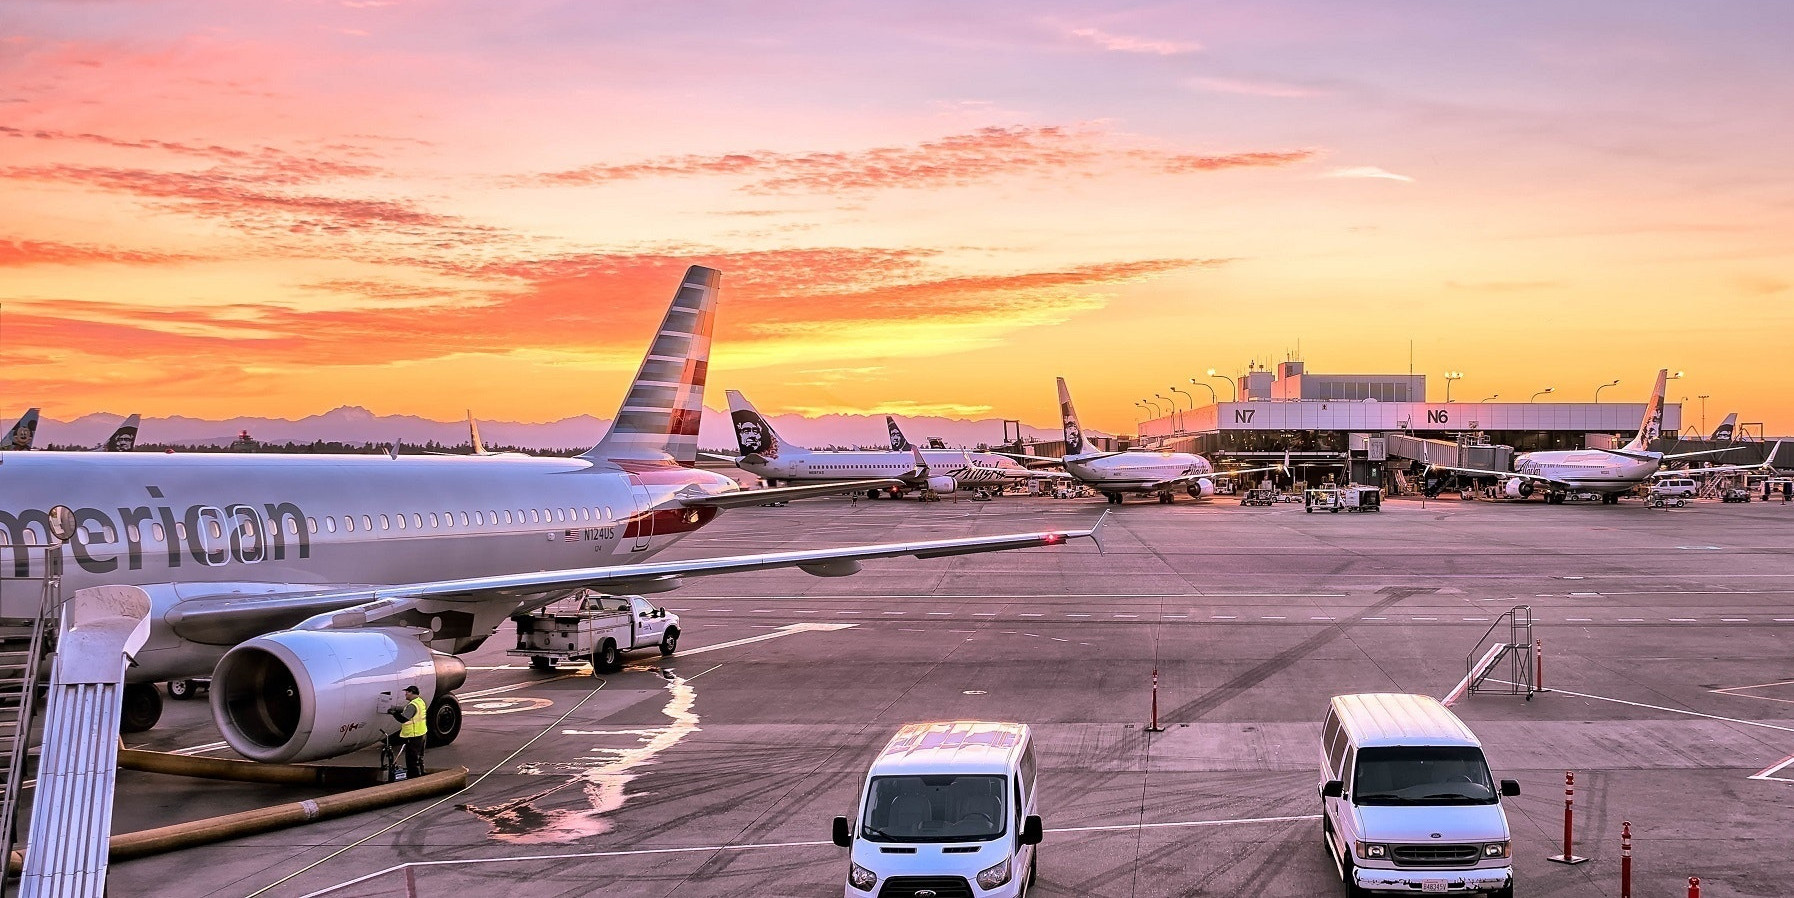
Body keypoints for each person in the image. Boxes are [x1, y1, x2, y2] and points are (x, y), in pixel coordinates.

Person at [389, 685, 429, 779]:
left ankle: (414, 778)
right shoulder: (419, 702)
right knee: (419, 757)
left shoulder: (412, 706)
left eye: (407, 692)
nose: (405, 694)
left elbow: (403, 719)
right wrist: (395, 708)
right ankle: (422, 773)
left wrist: (394, 713)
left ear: (411, 692)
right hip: (421, 733)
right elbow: (405, 709)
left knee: (412, 760)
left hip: (414, 735)